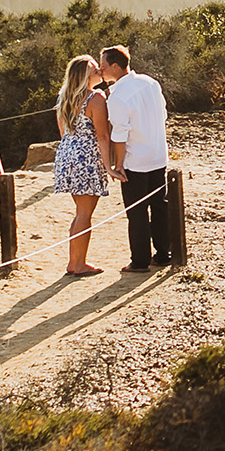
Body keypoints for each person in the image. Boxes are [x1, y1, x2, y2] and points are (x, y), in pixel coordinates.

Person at [99, 44, 172, 271]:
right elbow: (163, 114)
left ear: (114, 66)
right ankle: (163, 253)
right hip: (158, 155)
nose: (100, 70)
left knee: (137, 211)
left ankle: (139, 260)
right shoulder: (150, 82)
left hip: (136, 161)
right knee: (160, 206)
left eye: (102, 66)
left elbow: (119, 135)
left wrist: (118, 164)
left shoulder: (118, 96)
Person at [50, 55, 112, 277]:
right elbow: (103, 136)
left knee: (80, 212)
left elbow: (63, 132)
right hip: (86, 157)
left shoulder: (64, 99)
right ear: (86, 77)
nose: (100, 73)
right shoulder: (95, 98)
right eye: (96, 71)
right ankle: (79, 264)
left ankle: (73, 261)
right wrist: (109, 166)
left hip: (67, 154)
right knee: (85, 213)